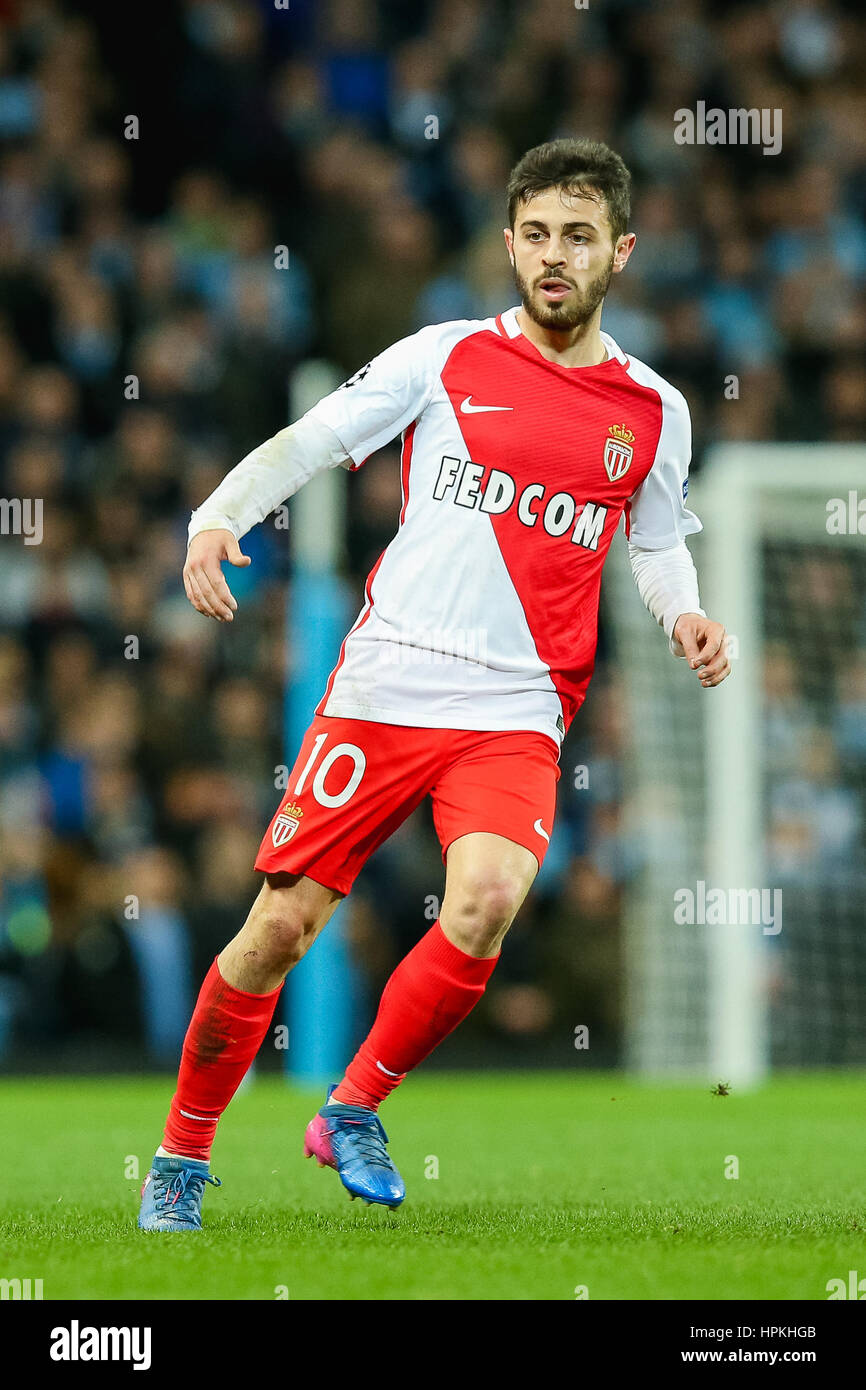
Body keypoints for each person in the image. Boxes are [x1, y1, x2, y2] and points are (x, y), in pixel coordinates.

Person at [138, 137, 731, 1232]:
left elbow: (653, 545)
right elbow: (314, 439)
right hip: (386, 684)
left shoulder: (651, 410)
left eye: (579, 237)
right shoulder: (443, 355)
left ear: (621, 253)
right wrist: (216, 514)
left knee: (488, 900)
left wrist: (682, 611)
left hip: (516, 706)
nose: (555, 256)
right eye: (538, 235)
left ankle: (352, 1104)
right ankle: (180, 1153)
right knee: (278, 930)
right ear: (508, 243)